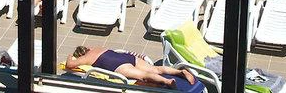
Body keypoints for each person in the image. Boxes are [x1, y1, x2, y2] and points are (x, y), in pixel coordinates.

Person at [66, 46, 195, 88]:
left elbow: (69, 65)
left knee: (144, 76)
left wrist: (70, 57)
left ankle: (167, 81)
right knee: (156, 69)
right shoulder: (98, 48)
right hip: (126, 57)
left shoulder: (86, 57)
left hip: (116, 65)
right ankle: (180, 72)